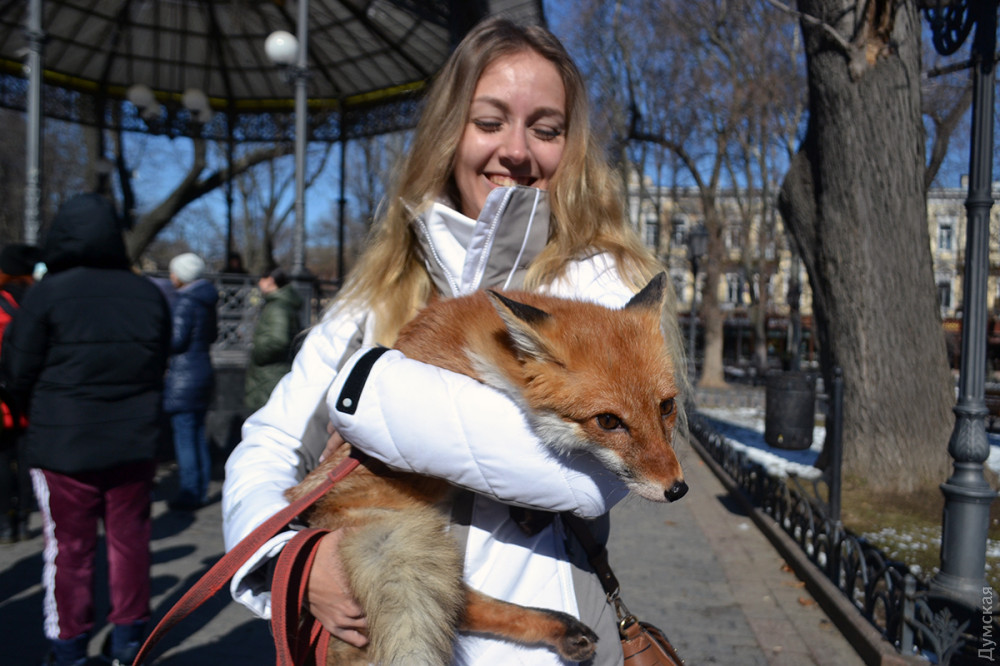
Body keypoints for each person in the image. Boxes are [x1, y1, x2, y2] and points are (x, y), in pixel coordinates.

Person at [222, 17, 689, 666]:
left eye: (546, 129)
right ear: (449, 134)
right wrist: (293, 562)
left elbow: (582, 483)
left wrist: (366, 390)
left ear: (571, 148)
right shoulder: (376, 292)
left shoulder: (603, 286)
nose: (517, 151)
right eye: (490, 121)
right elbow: (269, 441)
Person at [1, 193, 171, 666]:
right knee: (130, 542)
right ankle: (129, 641)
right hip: (133, 442)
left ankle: (69, 647)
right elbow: (158, 361)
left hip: (63, 447)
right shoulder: (145, 292)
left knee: (69, 550)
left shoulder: (48, 293)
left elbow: (17, 370)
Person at [164, 252, 219, 511]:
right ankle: (200, 489)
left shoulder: (185, 301)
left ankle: (189, 492)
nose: (170, 276)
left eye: (174, 272)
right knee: (197, 434)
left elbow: (176, 340)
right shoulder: (207, 299)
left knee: (185, 437)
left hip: (183, 377)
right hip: (202, 371)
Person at [0, 242, 41, 543]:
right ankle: (26, 518)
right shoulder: (41, 300)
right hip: (33, 394)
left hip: (4, 396)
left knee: (2, 458)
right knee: (27, 456)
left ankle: (5, 521)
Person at [243, 267, 303, 413]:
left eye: (261, 279)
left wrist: (258, 354)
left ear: (270, 281)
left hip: (269, 376)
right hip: (272, 373)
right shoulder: (279, 303)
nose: (258, 283)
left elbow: (277, 340)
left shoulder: (278, 306)